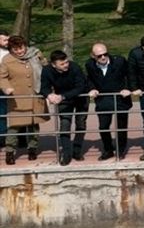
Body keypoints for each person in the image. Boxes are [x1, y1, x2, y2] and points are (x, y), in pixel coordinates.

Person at [0, 36, 46, 164]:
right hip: (17, 99)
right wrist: (6, 88)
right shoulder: (7, 60)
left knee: (33, 126)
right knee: (14, 127)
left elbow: (45, 68)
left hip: (35, 96)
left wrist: (41, 59)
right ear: (11, 49)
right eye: (15, 49)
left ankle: (32, 149)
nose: (19, 51)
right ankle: (9, 152)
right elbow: (2, 77)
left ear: (25, 45)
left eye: (21, 48)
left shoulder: (35, 54)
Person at [40, 50, 89, 165]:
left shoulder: (74, 67)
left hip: (80, 97)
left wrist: (63, 96)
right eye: (62, 64)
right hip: (62, 99)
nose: (66, 65)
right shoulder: (47, 70)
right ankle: (66, 154)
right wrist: (49, 95)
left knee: (81, 123)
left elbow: (80, 87)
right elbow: (44, 87)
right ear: (53, 64)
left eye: (66, 62)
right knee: (65, 124)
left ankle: (77, 150)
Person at [84, 42, 132, 160]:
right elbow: (89, 79)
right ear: (93, 56)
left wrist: (128, 88)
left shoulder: (119, 61)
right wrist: (92, 89)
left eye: (105, 54)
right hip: (103, 99)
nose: (103, 57)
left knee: (121, 126)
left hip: (120, 98)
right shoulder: (90, 64)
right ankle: (108, 149)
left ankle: (121, 150)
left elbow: (130, 75)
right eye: (99, 56)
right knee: (103, 126)